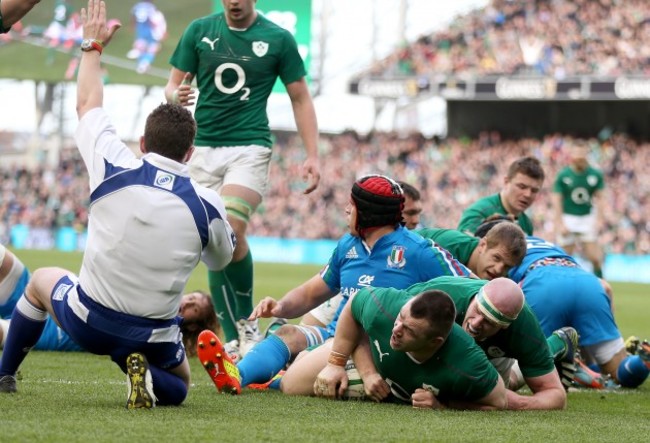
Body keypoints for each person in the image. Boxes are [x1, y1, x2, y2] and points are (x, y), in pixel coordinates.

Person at [0, 0, 236, 411]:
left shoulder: (114, 165)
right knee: (180, 384)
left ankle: (4, 374)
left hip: (87, 322)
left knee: (40, 281)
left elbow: (87, 105)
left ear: (143, 144)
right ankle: (135, 368)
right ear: (190, 153)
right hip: (152, 336)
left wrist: (92, 45)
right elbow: (220, 262)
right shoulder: (208, 205)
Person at [196, 174, 471, 394]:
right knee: (288, 333)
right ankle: (237, 375)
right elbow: (311, 292)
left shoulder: (418, 250)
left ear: (368, 213)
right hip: (333, 335)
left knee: (295, 379)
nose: (346, 210)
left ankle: (277, 379)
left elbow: (469, 286)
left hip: (374, 347)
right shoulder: (348, 245)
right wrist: (279, 306)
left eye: (352, 206)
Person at [165, 0, 321, 361]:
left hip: (249, 146)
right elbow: (173, 86)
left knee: (232, 226)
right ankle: (234, 336)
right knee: (214, 244)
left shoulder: (278, 38)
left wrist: (312, 155)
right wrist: (177, 95)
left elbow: (300, 96)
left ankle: (249, 325)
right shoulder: (199, 31)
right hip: (201, 148)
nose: (233, 1)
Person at [309, 288, 508, 410]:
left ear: (435, 342)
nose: (396, 330)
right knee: (293, 385)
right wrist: (341, 364)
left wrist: (443, 405)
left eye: (409, 330)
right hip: (370, 359)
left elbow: (499, 402)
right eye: (400, 318)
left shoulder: (467, 364)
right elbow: (354, 304)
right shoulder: (384, 307)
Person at [506, 234, 649, 389]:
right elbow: (606, 287)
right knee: (620, 372)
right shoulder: (547, 244)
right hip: (588, 284)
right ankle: (641, 362)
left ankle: (572, 365)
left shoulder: (504, 244)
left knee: (527, 365)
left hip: (541, 286)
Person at [552, 141, 605, 277]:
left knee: (595, 258)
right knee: (563, 258)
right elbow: (556, 199)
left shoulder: (595, 174)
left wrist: (599, 219)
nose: (580, 157)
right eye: (577, 154)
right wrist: (559, 222)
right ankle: (559, 285)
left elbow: (601, 198)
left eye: (582, 154)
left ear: (587, 155)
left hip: (587, 218)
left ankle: (601, 285)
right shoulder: (563, 175)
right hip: (568, 217)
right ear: (572, 155)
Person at [457, 156, 545, 236]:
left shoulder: (526, 224)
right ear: (506, 182)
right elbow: (462, 248)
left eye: (534, 190)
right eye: (522, 187)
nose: (528, 194)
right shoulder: (478, 213)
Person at [417, 222, 527, 280]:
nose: (498, 270)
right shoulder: (444, 247)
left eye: (507, 266)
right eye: (496, 258)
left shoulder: (502, 281)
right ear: (483, 245)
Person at [126, 0, 167, 74]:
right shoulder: (151, 7)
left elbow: (133, 16)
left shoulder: (137, 5)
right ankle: (144, 63)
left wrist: (133, 25)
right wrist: (158, 30)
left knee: (142, 45)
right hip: (148, 29)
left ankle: (140, 60)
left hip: (140, 28)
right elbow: (152, 18)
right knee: (152, 48)